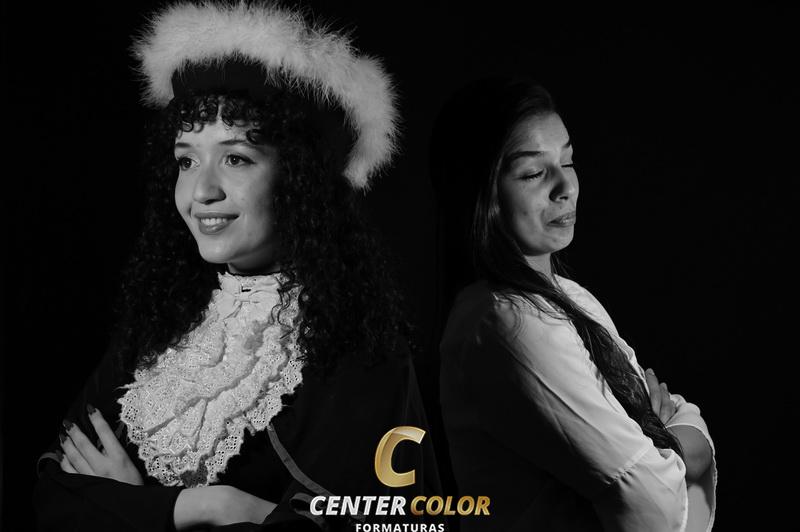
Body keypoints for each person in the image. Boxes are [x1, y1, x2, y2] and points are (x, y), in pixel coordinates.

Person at [33, 2, 441, 530]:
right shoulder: (161, 327)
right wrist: (206, 507)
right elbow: (52, 497)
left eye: (236, 158)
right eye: (186, 160)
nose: (201, 192)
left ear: (301, 181)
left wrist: (132, 510)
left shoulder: (361, 355)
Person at [431, 78, 716, 531]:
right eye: (533, 173)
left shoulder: (568, 296)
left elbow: (680, 421)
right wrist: (668, 441)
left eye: (567, 161)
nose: (566, 186)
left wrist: (662, 444)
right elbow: (655, 507)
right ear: (481, 193)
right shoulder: (507, 322)